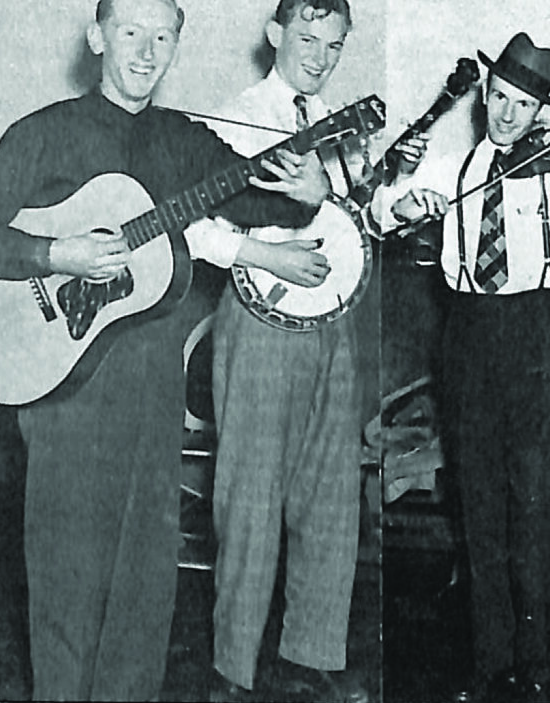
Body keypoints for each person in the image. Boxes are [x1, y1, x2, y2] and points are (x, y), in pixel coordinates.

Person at [0, 0, 331, 699]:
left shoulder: (181, 139)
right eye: (130, 33)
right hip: (63, 391)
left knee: (145, 587)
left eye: (162, 36)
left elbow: (255, 197)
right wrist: (54, 253)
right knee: (66, 581)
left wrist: (307, 194)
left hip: (152, 385)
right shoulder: (46, 133)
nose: (146, 52)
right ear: (97, 39)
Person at [186, 1, 417, 700]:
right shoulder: (234, 118)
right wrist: (265, 254)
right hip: (260, 322)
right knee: (249, 495)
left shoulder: (344, 125)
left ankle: (310, 654)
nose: (319, 57)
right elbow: (192, 226)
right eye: (308, 39)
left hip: (336, 321)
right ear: (275, 35)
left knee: (330, 493)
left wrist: (397, 200)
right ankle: (233, 667)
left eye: (334, 45)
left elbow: (358, 218)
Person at [382, 32, 550, 703]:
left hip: (540, 334)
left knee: (534, 504)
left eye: (522, 105)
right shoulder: (455, 166)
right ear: (484, 97)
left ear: (539, 112)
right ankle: (489, 662)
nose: (506, 114)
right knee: (477, 503)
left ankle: (536, 665)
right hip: (469, 333)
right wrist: (407, 204)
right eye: (498, 97)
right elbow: (390, 209)